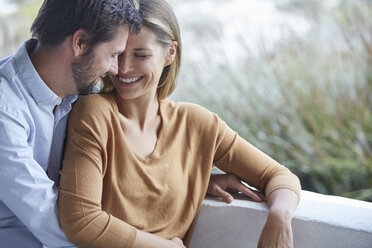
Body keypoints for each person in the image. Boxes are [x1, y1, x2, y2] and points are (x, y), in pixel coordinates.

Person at [58, 0, 302, 247]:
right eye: (118, 54)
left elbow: (278, 176)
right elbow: (81, 220)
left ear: (170, 53)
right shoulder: (94, 113)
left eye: (141, 55)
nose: (124, 68)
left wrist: (279, 217)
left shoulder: (199, 124)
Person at [0, 0, 142, 247]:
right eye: (113, 55)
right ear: (80, 43)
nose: (116, 70)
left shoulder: (82, 94)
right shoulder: (5, 108)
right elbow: (46, 216)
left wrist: (196, 174)